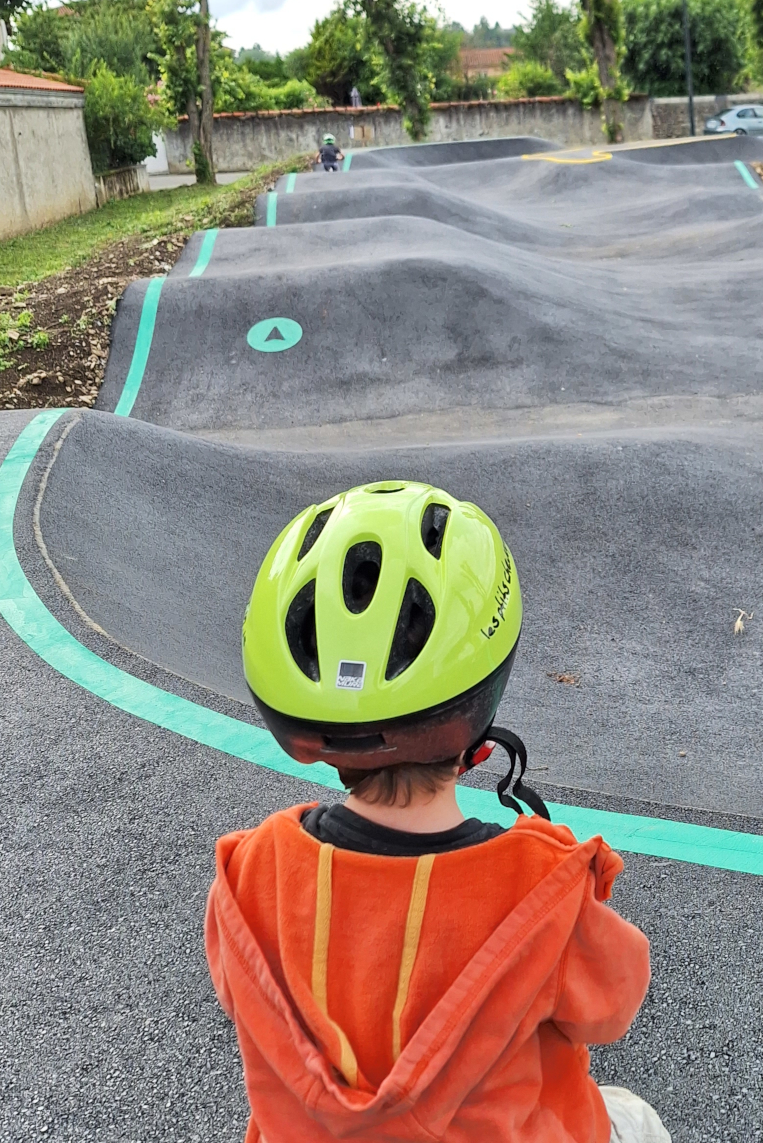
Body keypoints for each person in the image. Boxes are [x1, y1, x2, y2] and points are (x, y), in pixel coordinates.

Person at [205, 481, 668, 1143]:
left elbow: (235, 994)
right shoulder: (539, 886)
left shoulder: (251, 872)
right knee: (635, 1121)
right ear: (482, 708)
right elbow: (612, 1010)